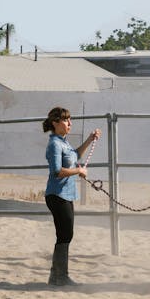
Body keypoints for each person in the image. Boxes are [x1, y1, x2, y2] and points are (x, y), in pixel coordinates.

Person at [42, 106, 101, 286]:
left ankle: (57, 276)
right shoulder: (54, 144)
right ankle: (60, 276)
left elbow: (74, 155)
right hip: (57, 195)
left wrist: (90, 140)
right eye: (66, 120)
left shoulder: (63, 142)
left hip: (66, 194)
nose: (70, 123)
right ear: (55, 123)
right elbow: (57, 171)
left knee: (66, 234)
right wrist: (79, 170)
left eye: (70, 120)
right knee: (65, 234)